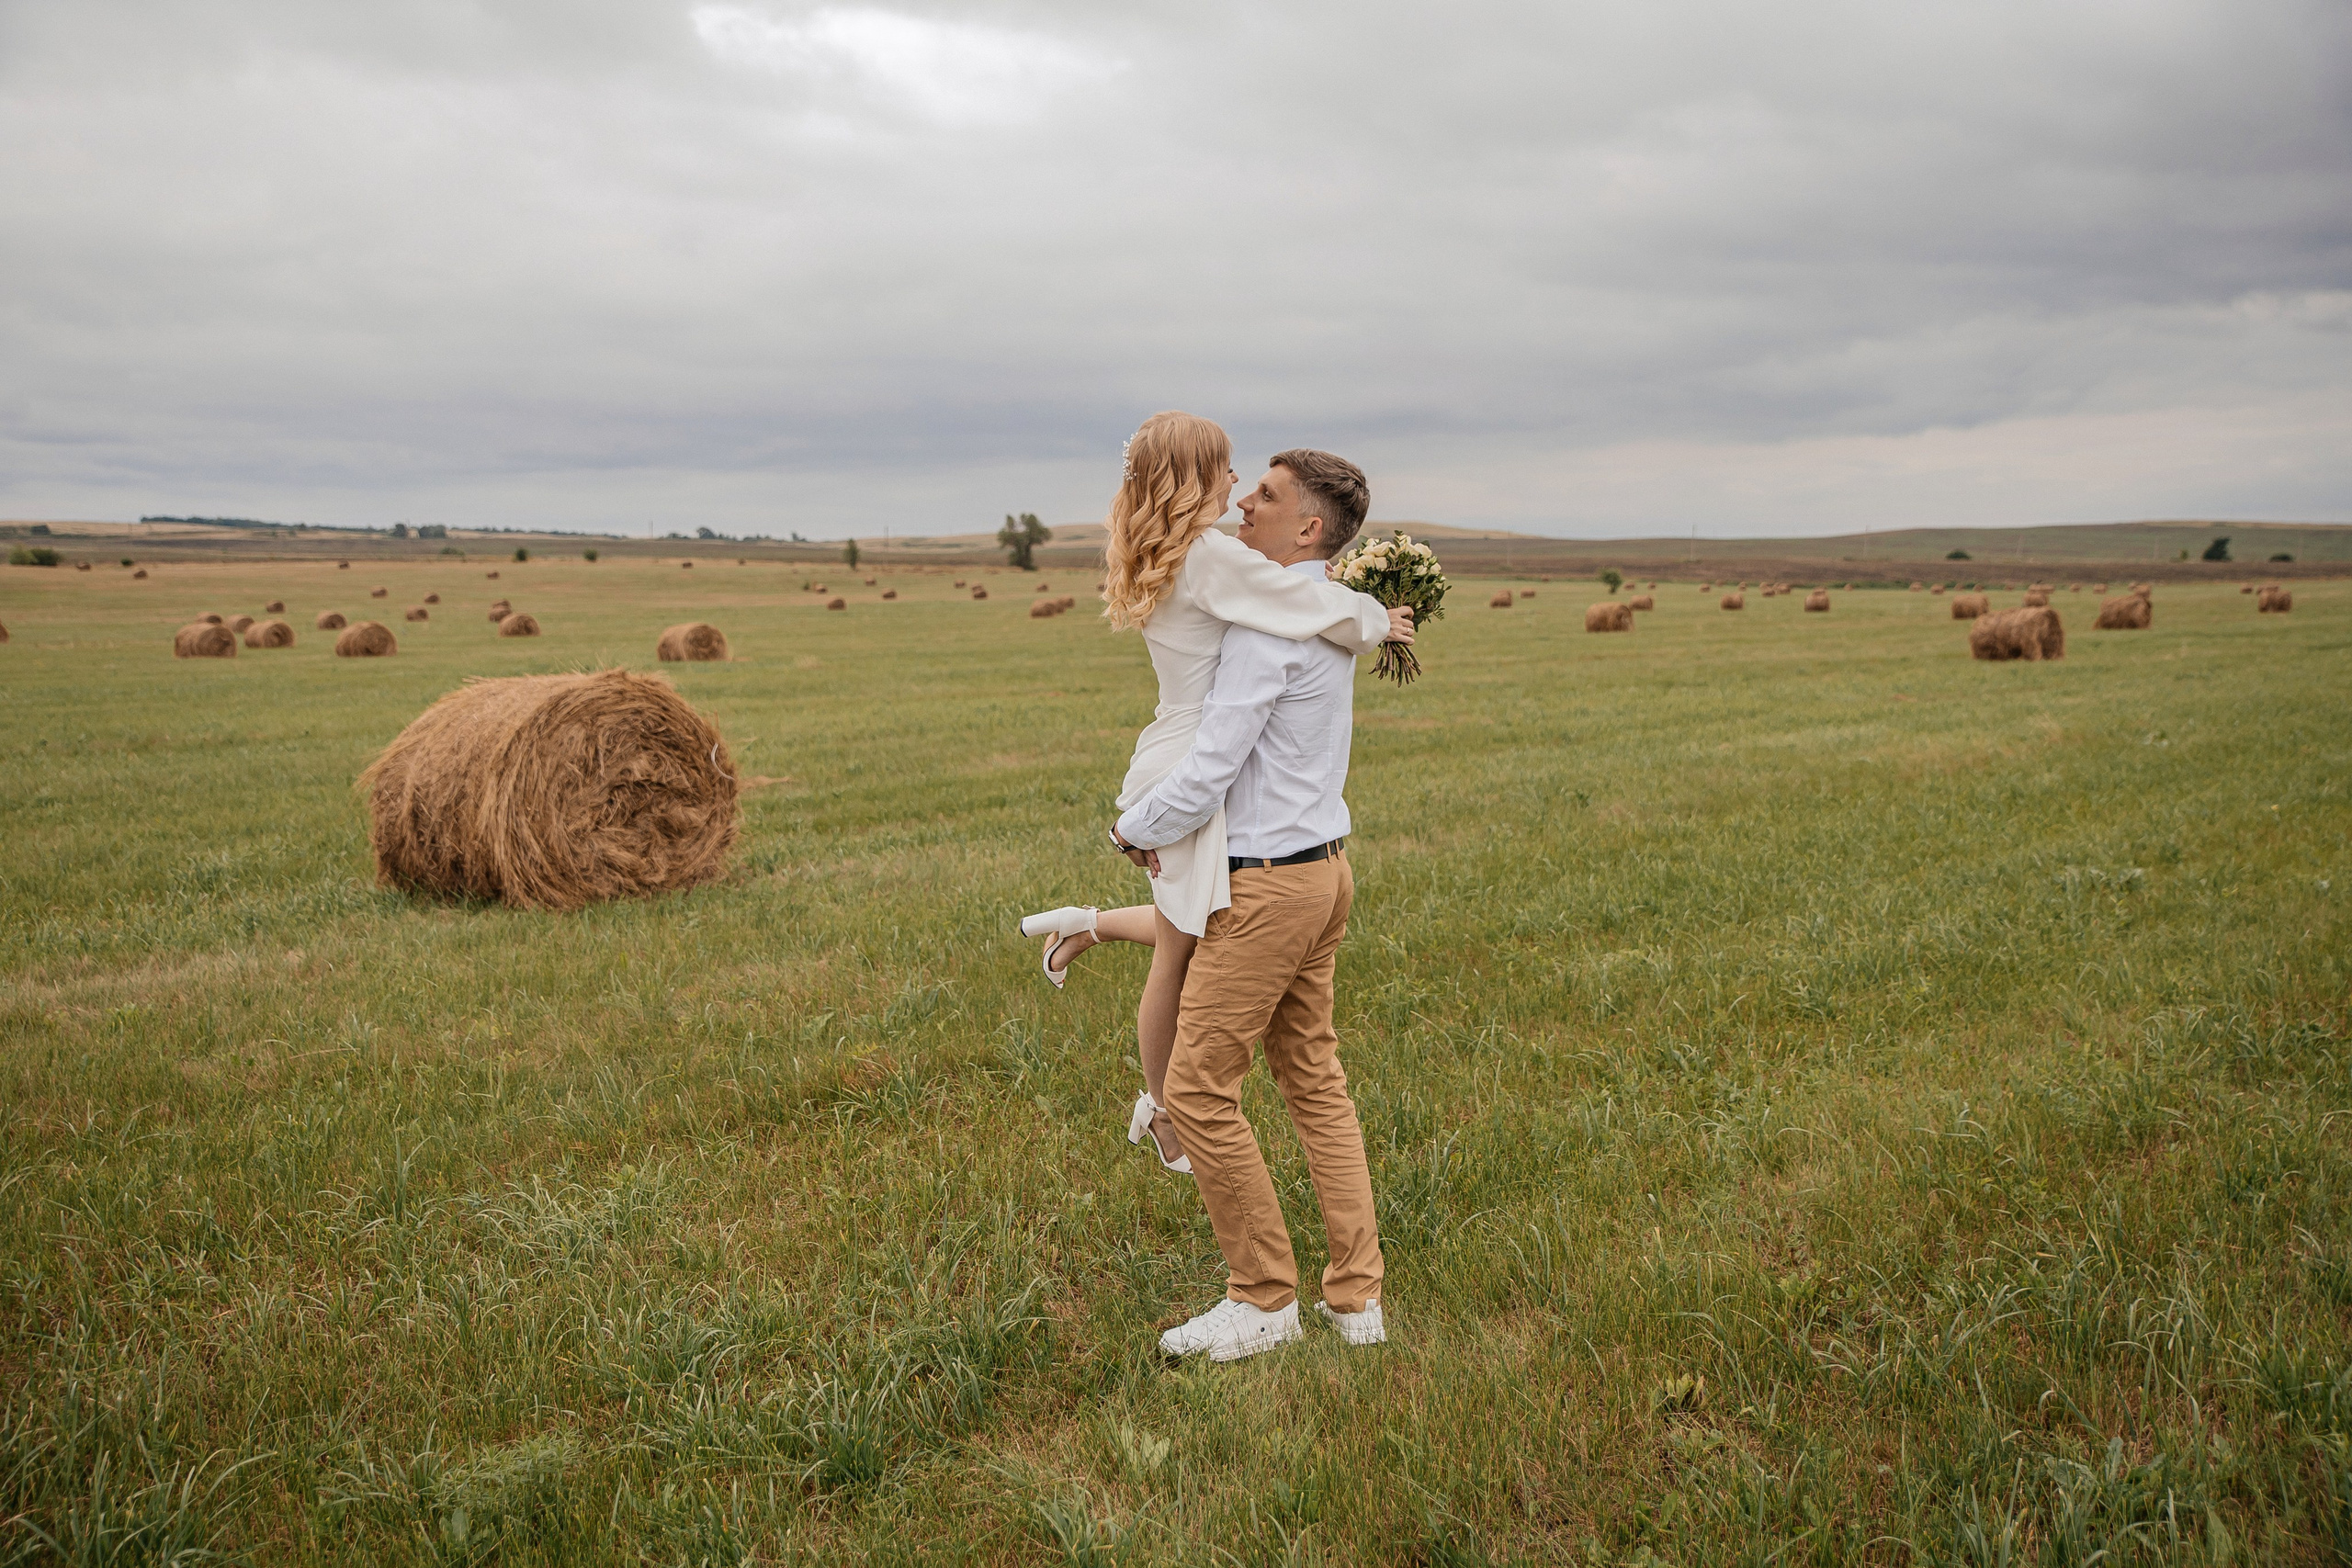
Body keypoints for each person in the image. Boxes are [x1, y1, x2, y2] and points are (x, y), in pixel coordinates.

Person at [1018, 414, 1409, 1175]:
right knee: (1181, 951)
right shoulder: (1208, 558)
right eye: (1227, 470)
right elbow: (1299, 606)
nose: (1235, 487)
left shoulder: (1174, 550)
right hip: (1192, 762)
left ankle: (1084, 928)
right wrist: (1373, 618)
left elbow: (1285, 588)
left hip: (1169, 746)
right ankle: (1164, 1109)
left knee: (1186, 930)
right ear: (1194, 477)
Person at [1110, 446, 1388, 1360]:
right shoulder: (1318, 615)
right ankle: (1357, 1305)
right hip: (1324, 871)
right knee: (1313, 1083)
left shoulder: (1271, 628)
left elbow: (1215, 762)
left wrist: (1132, 827)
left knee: (1195, 1088)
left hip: (1267, 882)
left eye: (1263, 498)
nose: (1241, 508)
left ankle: (1263, 1301)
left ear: (1307, 527)